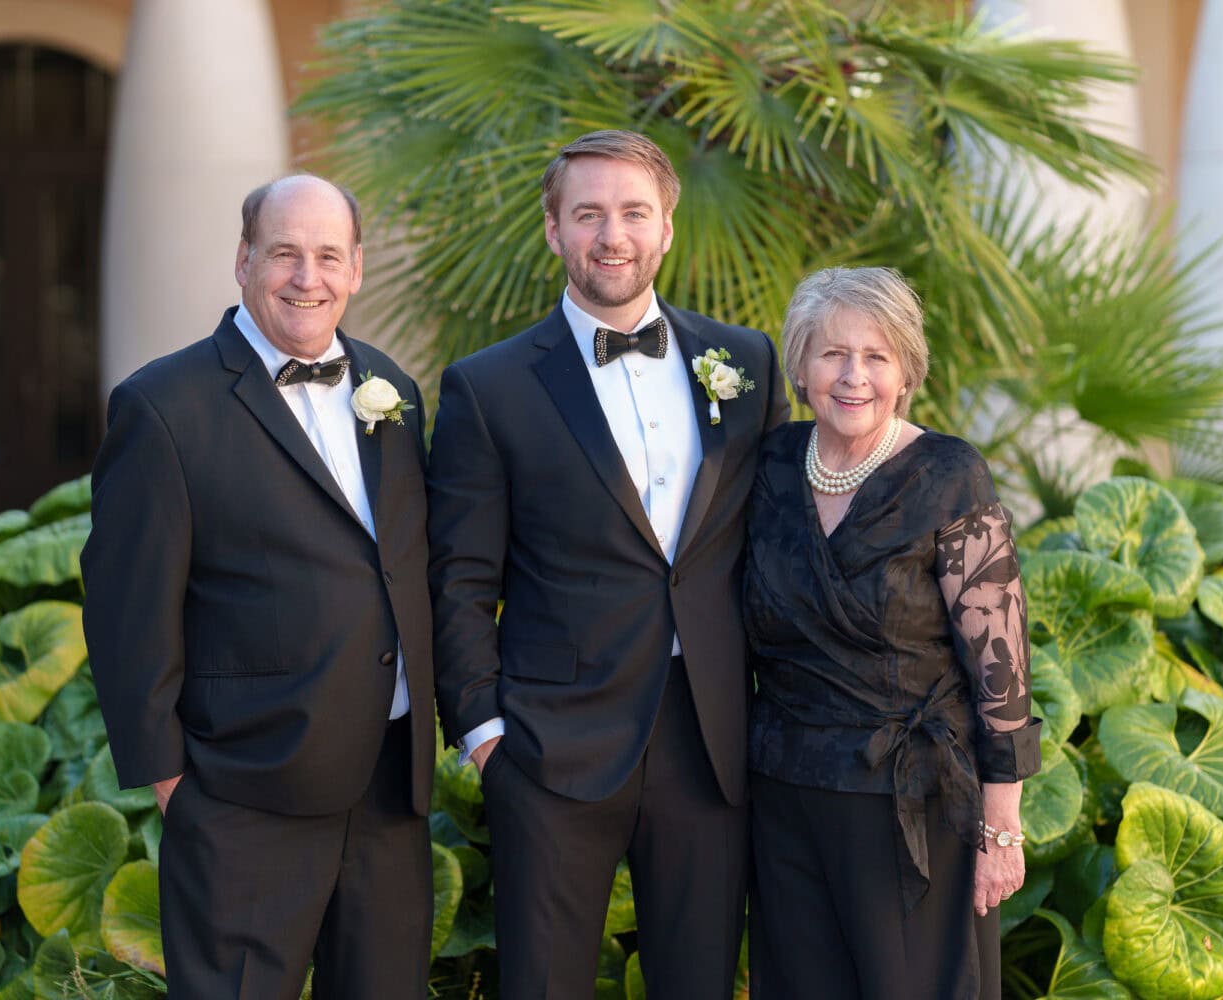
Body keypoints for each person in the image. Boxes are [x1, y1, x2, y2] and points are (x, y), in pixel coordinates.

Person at [427, 129, 790, 999]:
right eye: (588, 214)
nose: (612, 236)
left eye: (633, 212)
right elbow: (460, 578)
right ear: (553, 231)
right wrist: (486, 740)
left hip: (709, 741)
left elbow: (782, 546)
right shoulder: (489, 386)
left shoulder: (745, 362)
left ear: (668, 227)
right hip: (550, 749)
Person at [81, 174, 434, 999]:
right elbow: (127, 611)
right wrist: (177, 789)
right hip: (244, 796)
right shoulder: (162, 407)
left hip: (387, 791)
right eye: (284, 254)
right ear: (243, 261)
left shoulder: (394, 393)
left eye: (326, 257)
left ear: (355, 270)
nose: (306, 277)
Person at [743, 266, 1041, 999]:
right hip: (785, 795)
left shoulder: (949, 473)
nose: (853, 377)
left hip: (913, 801)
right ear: (801, 366)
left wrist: (1002, 827)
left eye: (876, 356)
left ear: (905, 370)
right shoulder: (772, 463)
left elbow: (1000, 660)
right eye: (832, 354)